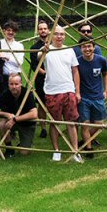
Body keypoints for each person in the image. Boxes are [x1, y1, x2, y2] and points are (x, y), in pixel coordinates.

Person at [41, 25, 83, 163]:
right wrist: (44, 51)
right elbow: (40, 55)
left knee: (71, 122)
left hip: (68, 90)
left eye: (62, 34)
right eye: (56, 34)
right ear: (51, 36)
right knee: (55, 123)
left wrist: (77, 91)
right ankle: (56, 150)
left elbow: (75, 71)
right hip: (52, 92)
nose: (59, 36)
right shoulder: (46, 50)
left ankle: (75, 150)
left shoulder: (69, 50)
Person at [0, 72, 38, 157]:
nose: (14, 87)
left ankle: (23, 144)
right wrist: (7, 114)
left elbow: (34, 114)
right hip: (10, 122)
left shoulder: (27, 93)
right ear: (8, 84)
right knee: (1, 124)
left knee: (24, 153)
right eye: (11, 84)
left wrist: (15, 119)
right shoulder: (6, 93)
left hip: (27, 124)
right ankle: (9, 149)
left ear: (21, 83)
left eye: (16, 84)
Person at [77, 38, 107, 158]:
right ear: (81, 48)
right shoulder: (78, 62)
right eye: (84, 47)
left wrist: (105, 90)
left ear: (94, 47)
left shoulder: (101, 60)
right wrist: (78, 93)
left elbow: (105, 74)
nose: (87, 49)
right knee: (85, 124)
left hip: (98, 97)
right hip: (84, 98)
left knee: (99, 124)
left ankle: (86, 140)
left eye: (89, 46)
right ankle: (89, 149)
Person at [28, 19, 52, 138]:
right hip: (41, 79)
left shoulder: (54, 44)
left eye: (45, 28)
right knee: (42, 104)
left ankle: (54, 124)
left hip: (55, 79)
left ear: (49, 30)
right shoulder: (34, 47)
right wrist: (46, 73)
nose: (43, 31)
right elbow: (34, 65)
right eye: (40, 29)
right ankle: (43, 128)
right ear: (38, 31)